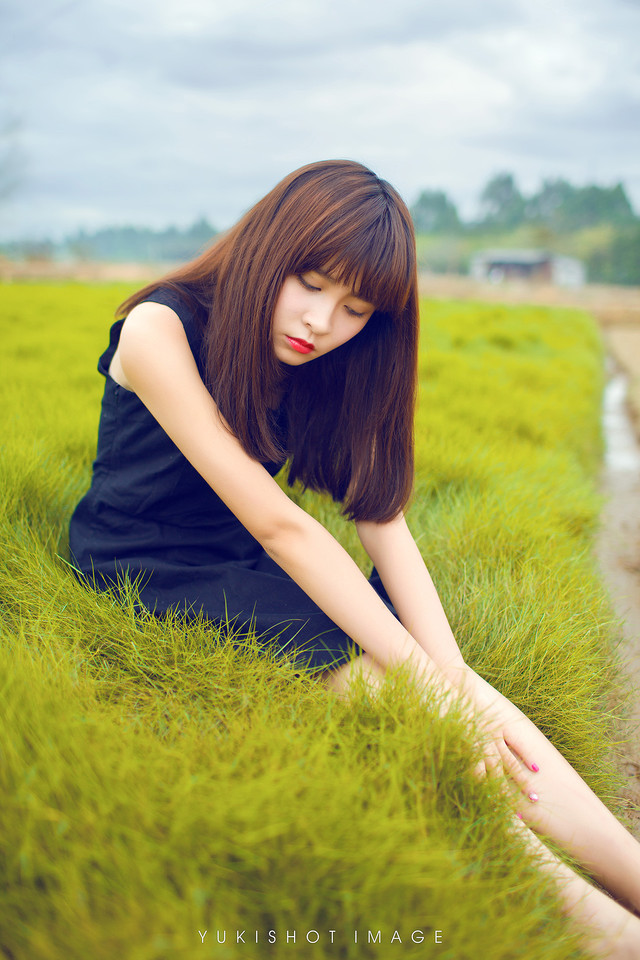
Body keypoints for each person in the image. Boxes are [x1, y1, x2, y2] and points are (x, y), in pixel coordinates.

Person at [69, 159, 640, 957]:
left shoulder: (329, 357)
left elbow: (384, 521)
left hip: (242, 558)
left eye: (354, 307)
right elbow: (283, 527)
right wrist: (427, 691)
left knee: (463, 692)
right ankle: (604, 932)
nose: (321, 321)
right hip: (144, 563)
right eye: (309, 281)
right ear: (271, 246)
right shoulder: (160, 328)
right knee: (397, 692)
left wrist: (452, 683)